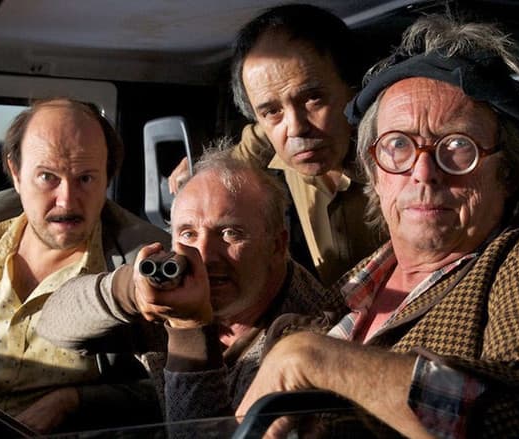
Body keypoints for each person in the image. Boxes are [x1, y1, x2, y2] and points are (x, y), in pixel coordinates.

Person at [237, 16, 519, 438]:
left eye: (458, 146)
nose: (423, 172)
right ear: (375, 172)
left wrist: (319, 361)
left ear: (508, 173)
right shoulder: (356, 284)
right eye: (398, 145)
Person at [0, 98, 169, 433]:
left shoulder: (143, 259)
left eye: (85, 179)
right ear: (16, 173)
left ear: (107, 178)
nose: (66, 200)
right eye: (47, 177)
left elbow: (169, 389)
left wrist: (72, 402)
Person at [37, 147, 345, 423]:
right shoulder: (175, 292)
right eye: (188, 234)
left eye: (230, 233)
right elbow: (53, 326)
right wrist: (130, 291)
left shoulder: (305, 334)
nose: (204, 256)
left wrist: (190, 330)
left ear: (277, 245)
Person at [169, 4, 384, 285]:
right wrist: (199, 176)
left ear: (354, 88)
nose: (295, 128)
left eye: (313, 98)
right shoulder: (269, 137)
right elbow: (230, 163)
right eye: (272, 111)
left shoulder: (398, 152)